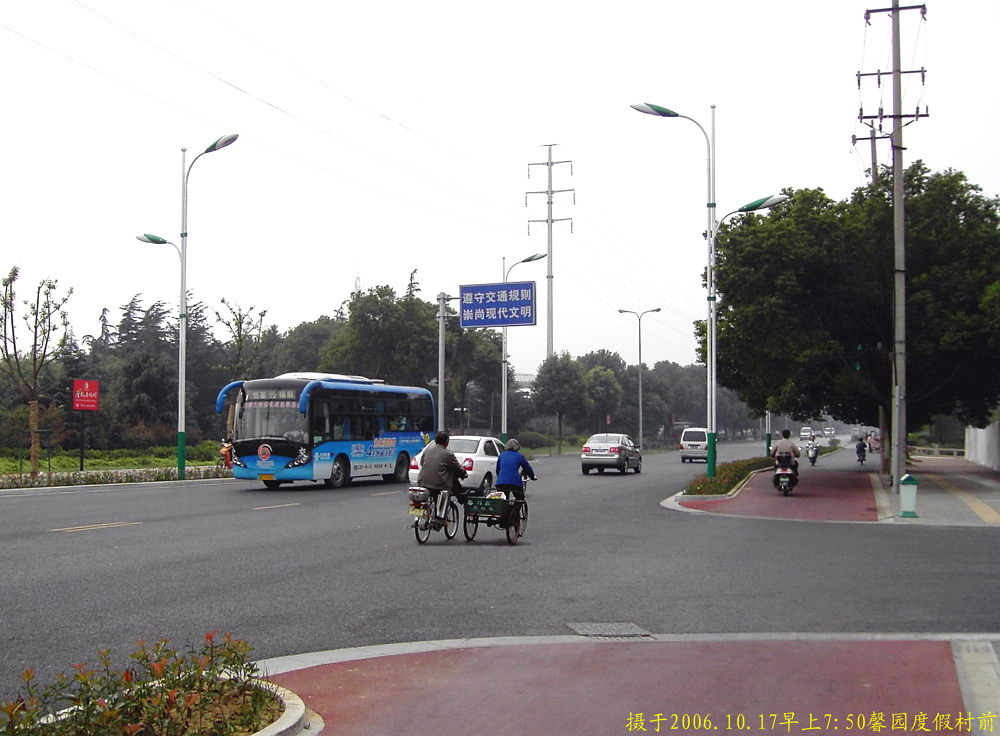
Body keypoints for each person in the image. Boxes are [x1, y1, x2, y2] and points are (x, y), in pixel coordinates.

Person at [416, 431, 467, 519]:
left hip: (422, 481)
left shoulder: (427, 451)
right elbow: (457, 468)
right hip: (439, 484)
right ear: (447, 442)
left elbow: (422, 462)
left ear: (435, 441)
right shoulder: (448, 454)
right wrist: (463, 473)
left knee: (432, 490)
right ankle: (461, 498)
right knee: (452, 479)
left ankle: (431, 515)